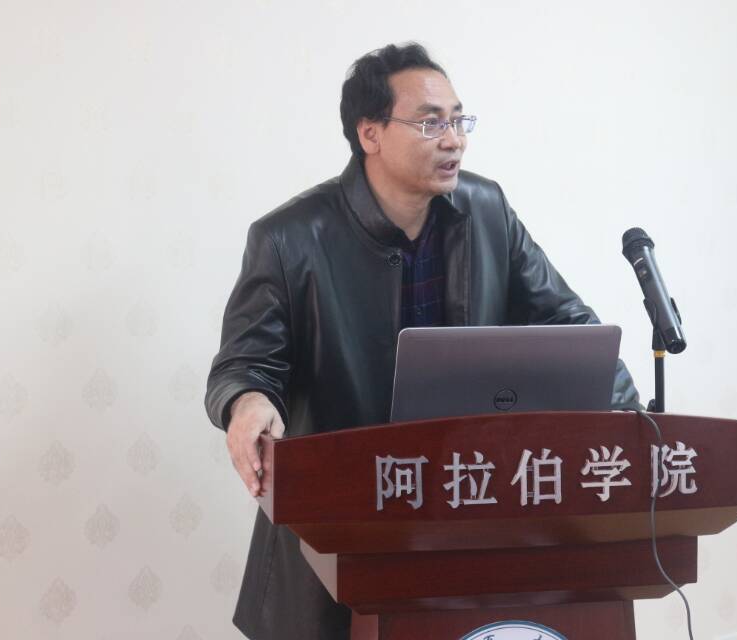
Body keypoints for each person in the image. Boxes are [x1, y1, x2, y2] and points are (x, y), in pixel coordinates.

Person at [204, 42, 639, 640]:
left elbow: (569, 326)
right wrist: (247, 402)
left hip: (465, 512)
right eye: (431, 122)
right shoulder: (290, 239)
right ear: (370, 133)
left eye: (459, 120)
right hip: (340, 525)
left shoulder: (488, 211)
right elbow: (246, 363)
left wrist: (633, 418)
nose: (454, 139)